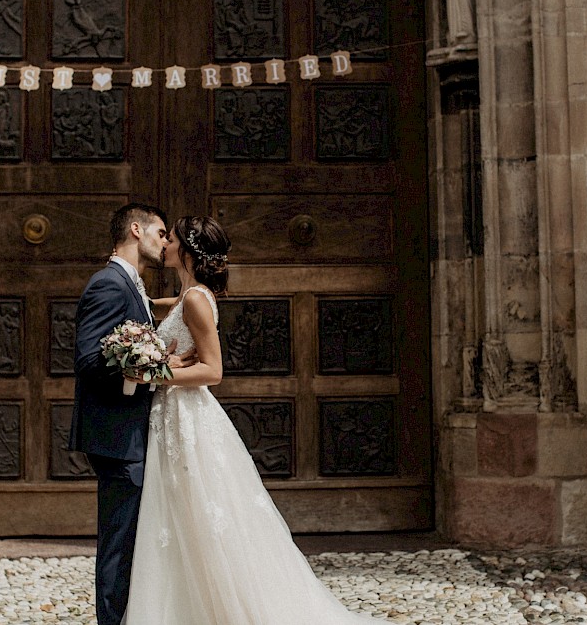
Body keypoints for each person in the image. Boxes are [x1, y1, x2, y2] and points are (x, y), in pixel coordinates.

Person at [122, 216, 380, 624]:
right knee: (180, 513)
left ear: (186, 251)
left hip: (188, 418)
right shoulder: (190, 293)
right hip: (173, 416)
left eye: (171, 238)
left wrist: (154, 372)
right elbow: (172, 311)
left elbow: (213, 371)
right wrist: (145, 315)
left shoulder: (193, 299)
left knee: (198, 513)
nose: (165, 242)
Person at [67, 203, 194, 625]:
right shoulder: (109, 284)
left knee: (132, 543)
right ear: (136, 230)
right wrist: (153, 368)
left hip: (129, 433)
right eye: (160, 232)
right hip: (116, 435)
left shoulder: (131, 285)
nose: (164, 241)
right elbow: (88, 359)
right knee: (119, 547)